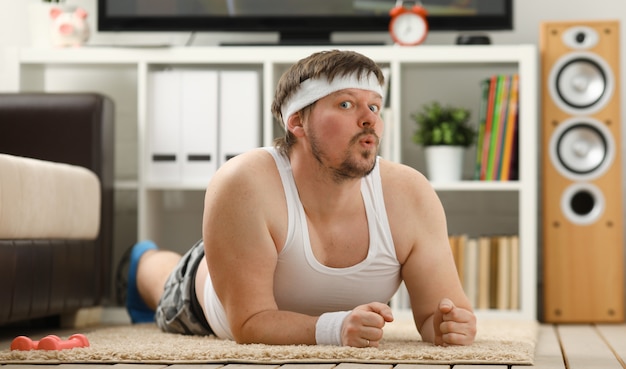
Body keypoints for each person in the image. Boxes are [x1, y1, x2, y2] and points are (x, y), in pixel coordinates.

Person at [122, 49, 477, 348]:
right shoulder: (243, 183)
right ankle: (141, 258)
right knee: (161, 275)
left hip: (261, 250)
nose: (369, 119)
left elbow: (437, 315)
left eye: (374, 107)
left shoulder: (410, 194)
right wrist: (334, 330)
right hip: (206, 293)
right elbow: (249, 323)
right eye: (346, 103)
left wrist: (449, 326)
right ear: (297, 122)